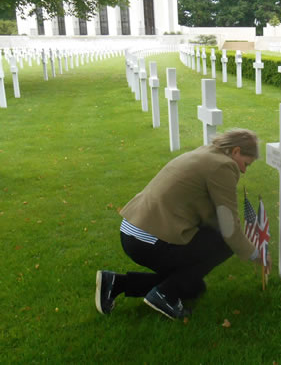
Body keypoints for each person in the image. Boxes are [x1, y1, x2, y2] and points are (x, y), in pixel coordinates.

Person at [95, 129, 271, 320]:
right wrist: (256, 254)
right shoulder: (224, 166)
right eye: (246, 163)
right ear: (236, 151)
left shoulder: (206, 153)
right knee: (224, 244)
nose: (244, 170)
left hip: (133, 229)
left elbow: (212, 216)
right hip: (147, 239)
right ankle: (165, 295)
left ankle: (116, 283)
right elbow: (229, 228)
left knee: (192, 286)